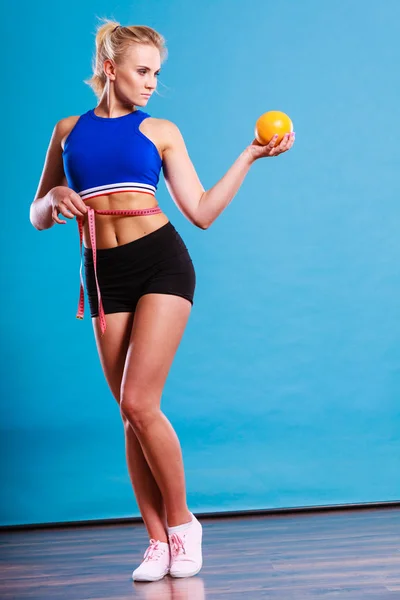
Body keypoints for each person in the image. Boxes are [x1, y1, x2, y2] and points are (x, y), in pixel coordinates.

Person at [29, 20, 295, 583]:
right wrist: (54, 196)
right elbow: (36, 216)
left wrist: (248, 156)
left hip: (160, 260)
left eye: (156, 73)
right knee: (129, 415)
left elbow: (198, 211)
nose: (151, 83)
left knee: (141, 402)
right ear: (110, 69)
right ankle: (156, 543)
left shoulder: (161, 131)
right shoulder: (67, 130)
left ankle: (182, 524)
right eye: (142, 71)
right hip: (101, 271)